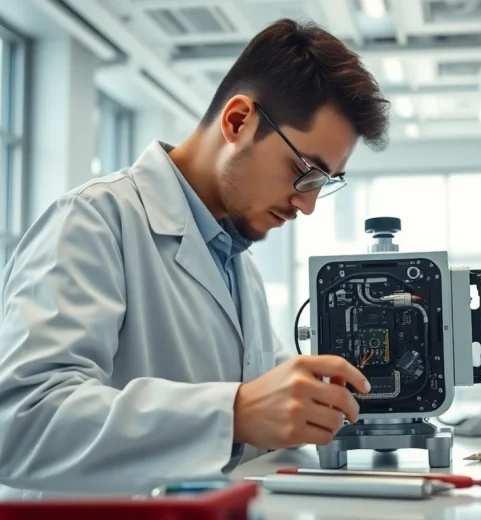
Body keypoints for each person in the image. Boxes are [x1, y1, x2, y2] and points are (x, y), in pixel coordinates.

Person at [0, 18, 390, 498]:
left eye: (322, 184)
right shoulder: (94, 220)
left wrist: (315, 404)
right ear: (238, 121)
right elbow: (19, 424)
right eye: (303, 171)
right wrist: (234, 412)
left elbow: (252, 423)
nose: (306, 204)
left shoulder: (237, 263)